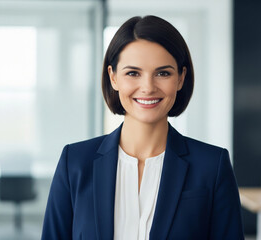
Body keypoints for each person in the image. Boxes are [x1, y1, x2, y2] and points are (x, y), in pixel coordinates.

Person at [42, 15, 244, 240]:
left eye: (163, 73)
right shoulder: (75, 163)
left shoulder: (212, 166)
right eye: (133, 73)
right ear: (113, 77)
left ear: (180, 78)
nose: (148, 87)